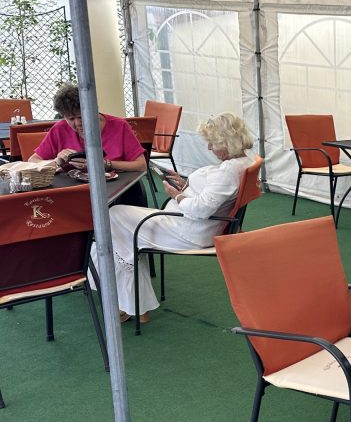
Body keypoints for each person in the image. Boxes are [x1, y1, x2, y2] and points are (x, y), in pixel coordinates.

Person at [94, 112, 255, 324]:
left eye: (212, 143)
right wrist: (186, 185)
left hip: (187, 230)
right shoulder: (245, 162)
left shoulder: (227, 172)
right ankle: (134, 304)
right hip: (193, 224)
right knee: (119, 230)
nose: (209, 148)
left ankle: (133, 304)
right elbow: (212, 196)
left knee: (114, 220)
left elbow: (200, 210)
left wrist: (176, 195)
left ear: (226, 143)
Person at [29, 83, 149, 207]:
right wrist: (56, 161)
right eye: (71, 119)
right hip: (73, 196)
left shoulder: (119, 126)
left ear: (94, 110)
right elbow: (33, 161)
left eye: (81, 117)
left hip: (117, 195)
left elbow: (141, 165)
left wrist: (105, 164)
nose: (78, 123)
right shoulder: (59, 129)